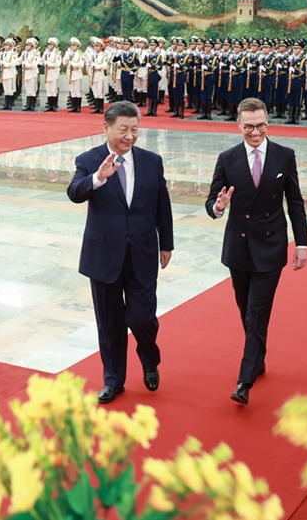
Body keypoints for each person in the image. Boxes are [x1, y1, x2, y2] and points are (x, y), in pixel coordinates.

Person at [67, 101, 174, 403]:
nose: (129, 136)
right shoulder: (89, 160)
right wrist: (98, 179)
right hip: (103, 256)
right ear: (107, 128)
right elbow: (74, 192)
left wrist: (166, 243)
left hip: (142, 252)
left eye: (134, 130)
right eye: (123, 129)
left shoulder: (151, 161)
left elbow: (161, 206)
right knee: (110, 323)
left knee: (142, 317)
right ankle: (113, 381)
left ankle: (149, 359)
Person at [205, 97, 307, 406]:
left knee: (256, 312)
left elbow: (296, 202)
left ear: (268, 123)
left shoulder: (283, 156)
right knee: (245, 310)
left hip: (270, 244)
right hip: (238, 245)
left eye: (261, 125)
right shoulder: (227, 158)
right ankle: (258, 358)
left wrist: (302, 243)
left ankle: (244, 380)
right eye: (249, 126)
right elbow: (213, 199)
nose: (255, 132)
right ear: (238, 126)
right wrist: (217, 207)